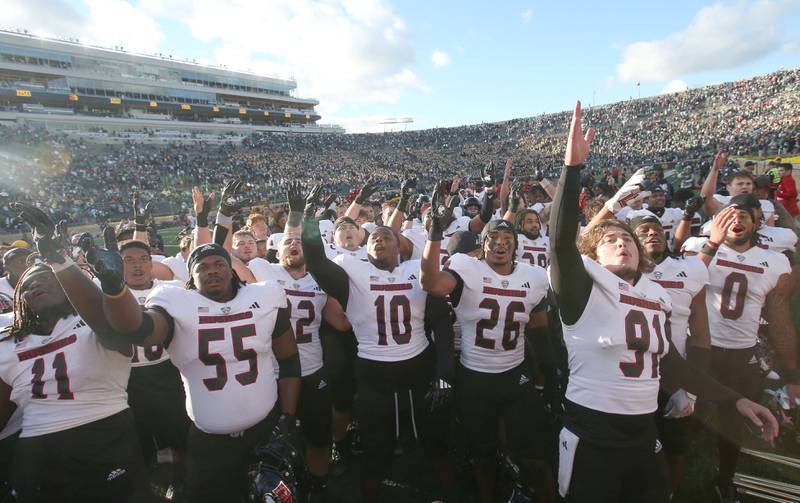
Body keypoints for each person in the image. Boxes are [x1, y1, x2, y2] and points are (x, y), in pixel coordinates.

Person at [549, 101, 778, 503]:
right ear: (593, 255)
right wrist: (572, 169)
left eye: (627, 240)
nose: (622, 242)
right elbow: (559, 239)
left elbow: (670, 362)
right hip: (593, 428)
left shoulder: (654, 294)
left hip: (643, 429)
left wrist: (734, 399)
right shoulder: (582, 287)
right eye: (609, 240)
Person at [55, 181, 302, 503]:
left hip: (265, 425)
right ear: (190, 277)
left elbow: (289, 360)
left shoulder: (265, 294)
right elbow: (136, 329)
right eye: (202, 267)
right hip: (209, 436)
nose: (212, 271)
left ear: (232, 269)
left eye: (219, 264)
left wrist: (287, 415)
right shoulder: (176, 302)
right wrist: (114, 286)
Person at [300, 185, 455, 503]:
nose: (381, 240)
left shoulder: (417, 271)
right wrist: (308, 221)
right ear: (364, 248)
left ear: (400, 245)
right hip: (374, 374)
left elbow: (441, 322)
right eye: (374, 238)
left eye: (387, 236)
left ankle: (451, 495)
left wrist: (445, 371)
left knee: (437, 443)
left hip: (419, 367)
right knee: (375, 452)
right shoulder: (352, 270)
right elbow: (315, 262)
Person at [420, 181, 555, 502]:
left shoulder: (534, 278)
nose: (500, 244)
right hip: (475, 377)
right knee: (482, 456)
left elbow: (539, 330)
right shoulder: (467, 268)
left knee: (535, 458)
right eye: (493, 238)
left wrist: (547, 376)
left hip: (515, 376)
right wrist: (433, 236)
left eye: (508, 239)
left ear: (516, 246)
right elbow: (430, 282)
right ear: (482, 245)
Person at [0, 203, 142, 502]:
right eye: (26, 285)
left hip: (102, 434)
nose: (34, 285)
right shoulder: (10, 339)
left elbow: (116, 328)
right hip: (36, 448)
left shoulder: (93, 318)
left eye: (45, 278)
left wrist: (57, 260)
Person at [684, 195, 799, 502]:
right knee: (686, 412)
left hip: (742, 351)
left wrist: (791, 373)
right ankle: (675, 468)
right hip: (701, 347)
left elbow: (779, 319)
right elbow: (683, 284)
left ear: (757, 222)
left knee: (732, 420)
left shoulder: (775, 262)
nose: (737, 220)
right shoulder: (699, 248)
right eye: (730, 215)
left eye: (745, 216)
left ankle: (726, 477)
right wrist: (712, 243)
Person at [247, 181, 351, 498]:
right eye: (288, 242)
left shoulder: (321, 281)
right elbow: (225, 259)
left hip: (312, 370)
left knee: (319, 438)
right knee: (271, 441)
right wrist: (295, 214)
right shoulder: (263, 270)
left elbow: (343, 323)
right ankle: (273, 486)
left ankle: (316, 483)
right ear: (277, 249)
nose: (294, 246)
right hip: (272, 375)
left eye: (299, 242)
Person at [116, 239, 190, 485]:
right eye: (128, 260)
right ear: (119, 265)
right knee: (138, 440)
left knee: (181, 432)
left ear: (152, 262)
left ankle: (184, 482)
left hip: (168, 373)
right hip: (125, 379)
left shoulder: (172, 289)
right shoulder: (107, 294)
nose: (137, 266)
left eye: (142, 259)